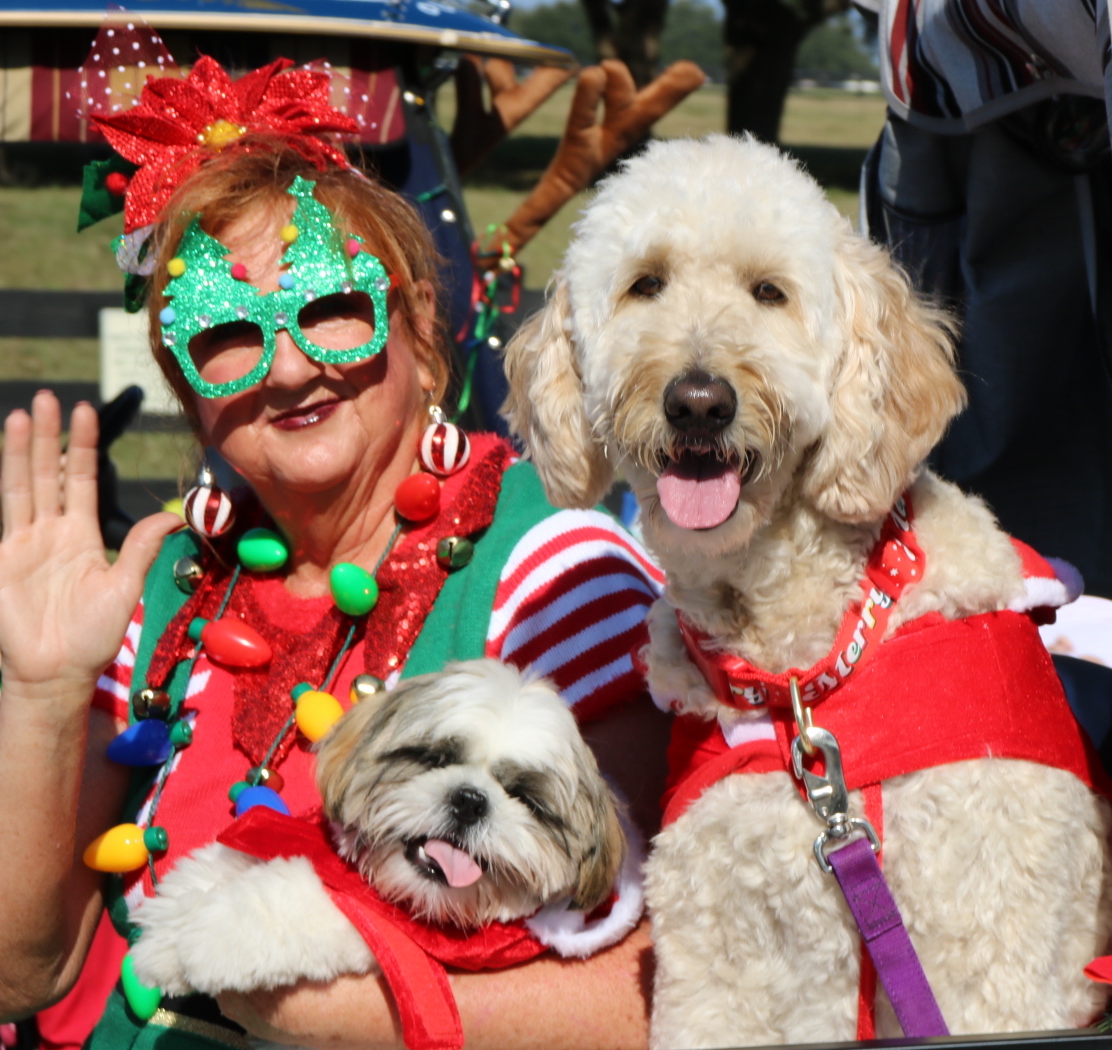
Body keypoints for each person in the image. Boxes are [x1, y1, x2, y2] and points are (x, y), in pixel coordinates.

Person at [0, 54, 671, 1050]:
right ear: (185, 388)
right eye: (225, 332)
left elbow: (664, 990)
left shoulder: (553, 572)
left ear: (421, 326)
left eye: (332, 308)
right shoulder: (160, 588)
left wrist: (316, 1012)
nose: (290, 366)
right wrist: (46, 695)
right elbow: (26, 971)